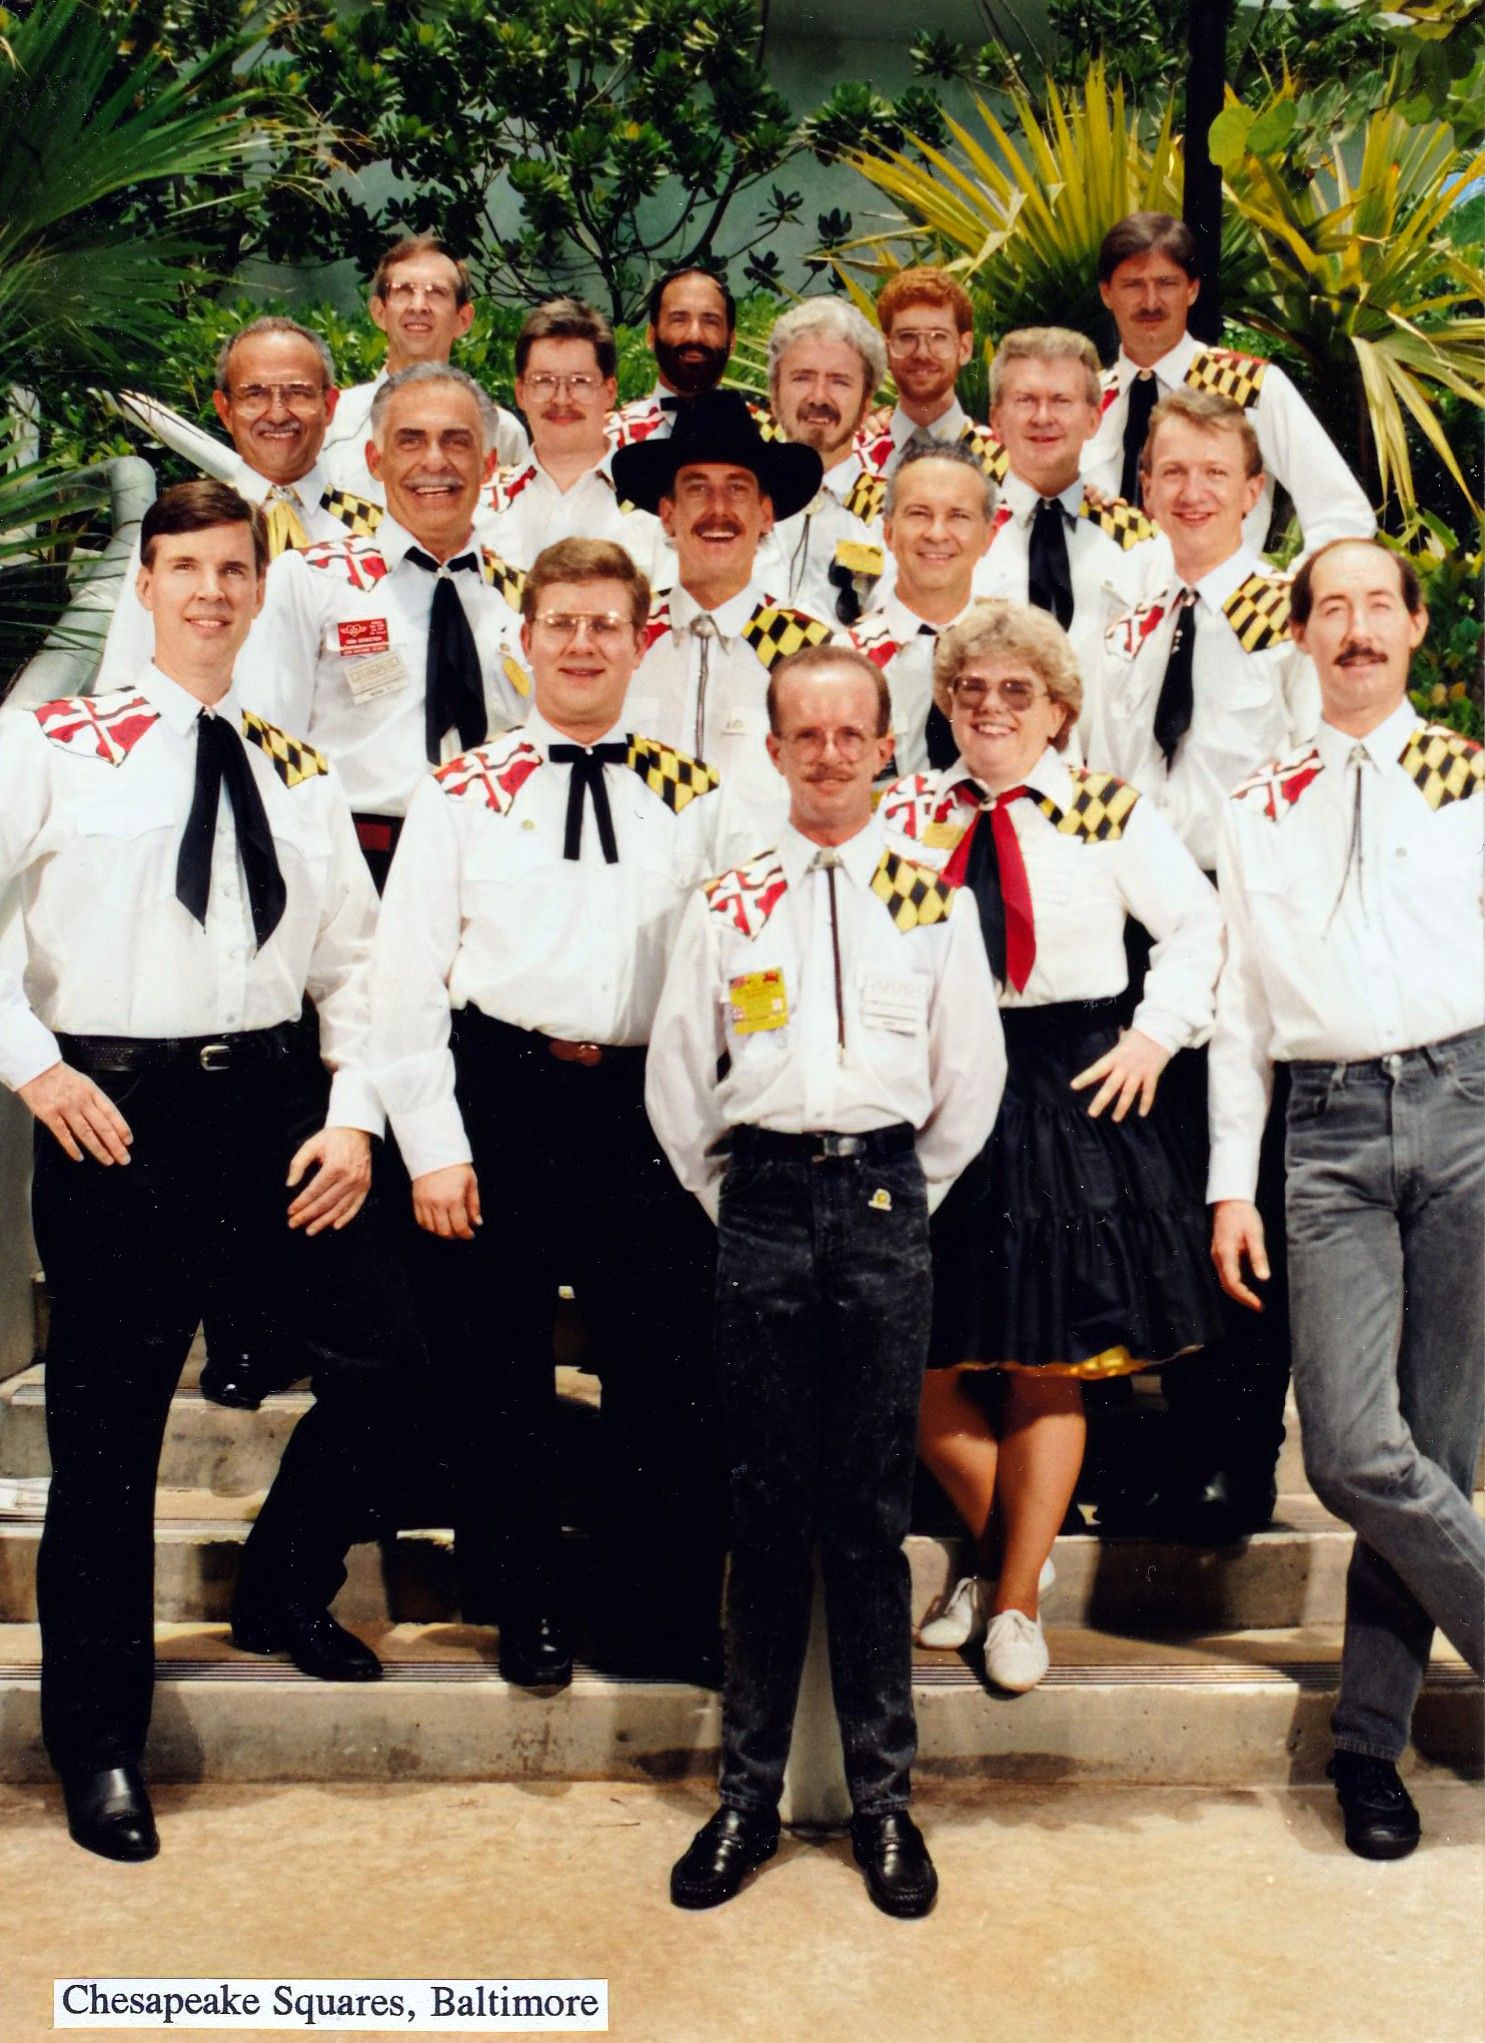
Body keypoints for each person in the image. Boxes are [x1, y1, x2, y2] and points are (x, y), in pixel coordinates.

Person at [0, 480, 421, 1862]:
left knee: (390, 1357)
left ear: (258, 588)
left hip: (277, 1113)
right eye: (185, 568)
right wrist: (35, 1066)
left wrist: (353, 1116)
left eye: (235, 569)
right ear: (146, 583)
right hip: (115, 1116)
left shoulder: (299, 767)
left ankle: (281, 1584)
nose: (211, 592)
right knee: (107, 1449)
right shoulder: (51, 740)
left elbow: (357, 961)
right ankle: (101, 1746)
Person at [649, 643, 1004, 1918]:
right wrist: (747, 1202)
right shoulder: (729, 901)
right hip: (761, 1203)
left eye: (854, 733)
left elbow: (969, 1084)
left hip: (883, 1201)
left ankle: (884, 1806)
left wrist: (893, 1197)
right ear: (776, 750)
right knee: (763, 1508)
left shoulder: (930, 898)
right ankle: (746, 1800)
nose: (832, 754)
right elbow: (679, 1081)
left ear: (885, 746)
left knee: (865, 1515)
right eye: (807, 734)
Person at [367, 537, 727, 1686]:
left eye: (604, 625)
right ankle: (525, 1607)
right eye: (560, 624)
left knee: (667, 1371)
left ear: (641, 642)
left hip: (646, 1107)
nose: (581, 644)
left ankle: (655, 1617)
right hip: (500, 1094)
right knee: (496, 1375)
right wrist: (433, 1146)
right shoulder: (460, 791)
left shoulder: (698, 797)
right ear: (525, 643)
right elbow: (403, 979)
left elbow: (735, 969)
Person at [882, 601, 1222, 1689]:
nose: (990, 707)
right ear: (945, 703)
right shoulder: (904, 814)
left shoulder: (1106, 810)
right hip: (940, 1084)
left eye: (1016, 691)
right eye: (970, 688)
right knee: (916, 1360)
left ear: (1058, 711)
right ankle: (1005, 1557)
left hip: (1067, 1089)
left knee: (1045, 1362)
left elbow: (1197, 926)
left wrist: (1155, 1036)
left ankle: (1014, 1602)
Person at [1208, 537, 1484, 1860]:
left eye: (1381, 604)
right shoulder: (1259, 799)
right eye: (1334, 607)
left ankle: (1368, 1746)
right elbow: (1238, 1005)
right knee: (1351, 1450)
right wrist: (1231, 1182)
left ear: (1415, 626)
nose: (1358, 627)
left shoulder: (1469, 775)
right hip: (1324, 1135)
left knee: (1439, 1445)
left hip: (1467, 1105)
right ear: (1304, 634)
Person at [1090, 388, 1317, 1540]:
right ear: (1143, 488)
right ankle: (1171, 1444)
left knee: (1244, 1184)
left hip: (1248, 913)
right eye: (1169, 472)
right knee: (1156, 1188)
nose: (1189, 493)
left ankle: (1240, 1452)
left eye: (1212, 474)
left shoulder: (1287, 616)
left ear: (1253, 492)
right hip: (1143, 915)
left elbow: (1314, 770)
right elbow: (1105, 767)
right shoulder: (1128, 620)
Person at [242, 363, 530, 891]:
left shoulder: (524, 600)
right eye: (410, 440)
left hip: (493, 864)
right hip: (357, 866)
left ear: (489, 463)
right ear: (375, 460)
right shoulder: (312, 580)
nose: (434, 461)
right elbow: (268, 742)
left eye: (457, 441)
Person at [97, 316, 383, 688]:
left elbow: (394, 675)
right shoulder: (179, 527)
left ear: (329, 406)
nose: (277, 413)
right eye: (254, 394)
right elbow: (126, 673)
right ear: (225, 409)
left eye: (297, 393)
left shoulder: (376, 532)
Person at [1082, 210, 1374, 559]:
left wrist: (1281, 589)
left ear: (1192, 289)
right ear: (1106, 293)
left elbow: (1344, 514)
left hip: (1220, 593)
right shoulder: (1085, 403)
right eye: (1133, 285)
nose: (1151, 302)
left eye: (1167, 283)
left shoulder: (1248, 386)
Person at [613, 390, 831, 850]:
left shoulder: (810, 649)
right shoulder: (623, 638)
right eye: (697, 488)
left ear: (766, 514)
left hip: (759, 885)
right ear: (668, 514)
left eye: (737, 488)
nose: (718, 509)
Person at [974, 327, 1157, 737]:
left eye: (1061, 401)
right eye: (1025, 400)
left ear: (1093, 419)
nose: (1043, 417)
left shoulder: (1136, 539)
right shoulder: (962, 536)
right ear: (996, 419)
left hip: (1106, 765)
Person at [319, 234, 528, 501]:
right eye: (404, 291)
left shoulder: (502, 432)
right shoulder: (331, 422)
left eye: (436, 292)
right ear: (379, 311)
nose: (418, 306)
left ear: (463, 319)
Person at [477, 298, 670, 585]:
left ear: (609, 391)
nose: (562, 399)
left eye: (580, 382)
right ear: (520, 392)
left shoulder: (659, 508)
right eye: (544, 381)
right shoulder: (481, 506)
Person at [849, 444, 998, 777]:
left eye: (958, 516)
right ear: (888, 532)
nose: (936, 533)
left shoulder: (1018, 651)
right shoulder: (848, 659)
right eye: (919, 513)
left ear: (988, 536)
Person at [757, 299, 890, 623]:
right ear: (774, 393)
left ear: (866, 401)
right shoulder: (737, 501)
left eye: (839, 381)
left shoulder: (892, 513)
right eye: (802, 378)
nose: (818, 396)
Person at [859, 267, 1003, 483]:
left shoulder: (1006, 465)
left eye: (938, 337)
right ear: (886, 349)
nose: (922, 353)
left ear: (964, 348)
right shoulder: (854, 463)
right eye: (907, 337)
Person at [610, 267, 736, 445]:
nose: (694, 335)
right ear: (651, 336)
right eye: (678, 320)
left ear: (732, 342)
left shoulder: (766, 434)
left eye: (710, 322)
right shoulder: (611, 440)